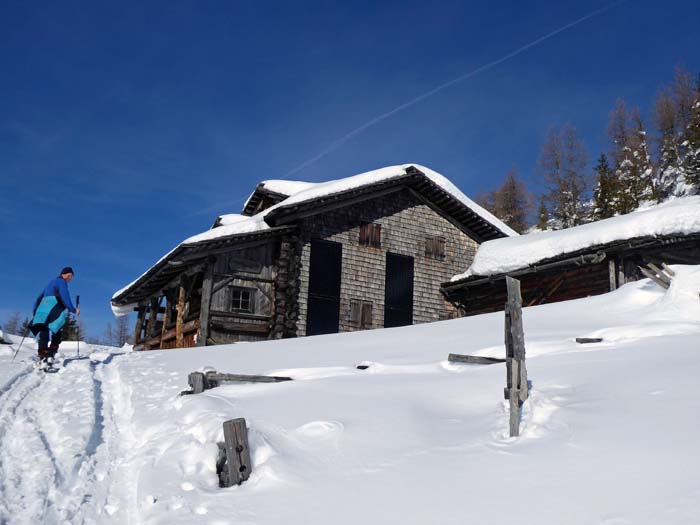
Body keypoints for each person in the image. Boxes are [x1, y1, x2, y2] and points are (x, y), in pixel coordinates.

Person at [30, 267, 80, 362]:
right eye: (70, 276)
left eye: (71, 277)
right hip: (54, 306)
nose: (70, 279)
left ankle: (42, 351)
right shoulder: (61, 282)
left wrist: (35, 311)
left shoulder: (51, 283)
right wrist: (73, 309)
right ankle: (53, 348)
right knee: (57, 325)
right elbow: (65, 297)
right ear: (64, 274)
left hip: (43, 307)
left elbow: (39, 298)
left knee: (43, 327)